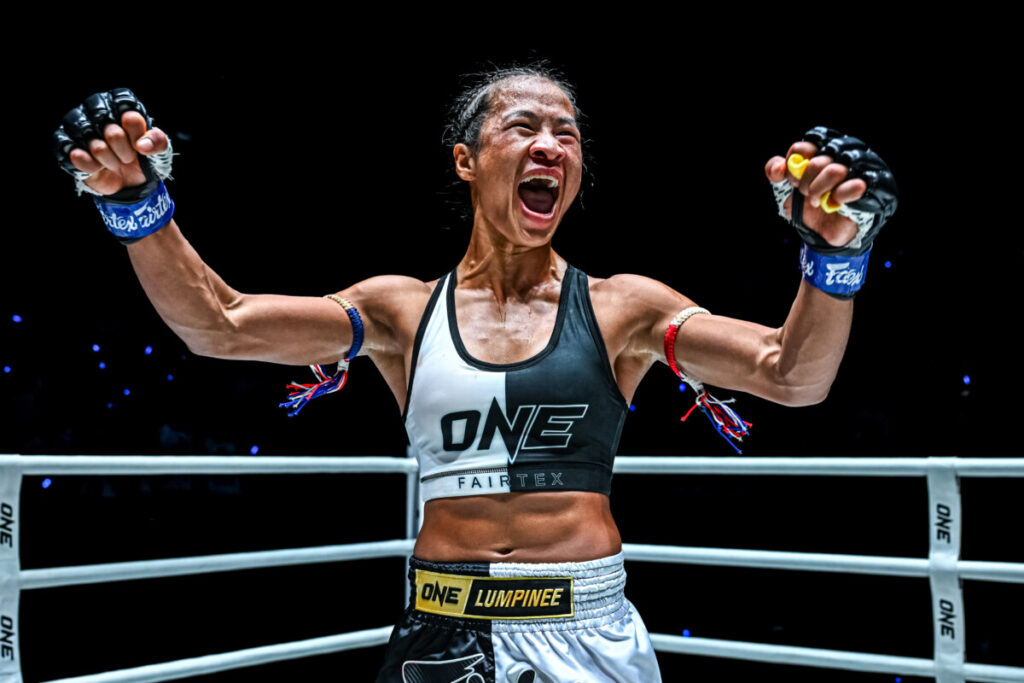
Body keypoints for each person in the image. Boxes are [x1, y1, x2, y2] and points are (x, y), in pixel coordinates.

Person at [53, 66, 895, 682]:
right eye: (523, 126)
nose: (550, 144)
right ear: (466, 160)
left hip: (586, 629)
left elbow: (793, 376)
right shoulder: (400, 310)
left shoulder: (624, 307)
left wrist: (837, 254)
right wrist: (134, 206)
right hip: (441, 627)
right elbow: (220, 324)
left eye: (567, 133)